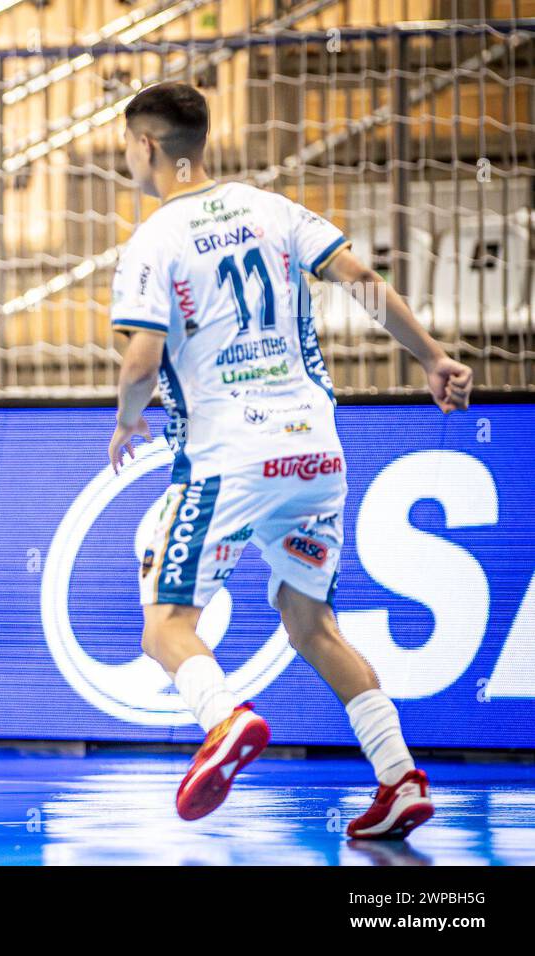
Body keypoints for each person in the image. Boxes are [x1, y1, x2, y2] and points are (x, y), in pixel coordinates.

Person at [106, 83, 473, 838]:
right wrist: (432, 357)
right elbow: (363, 284)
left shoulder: (154, 239)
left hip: (227, 455)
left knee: (165, 625)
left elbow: (142, 360)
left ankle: (225, 718)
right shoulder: (272, 209)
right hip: (314, 449)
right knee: (310, 621)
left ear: (146, 147)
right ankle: (400, 779)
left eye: (127, 145)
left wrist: (125, 420)